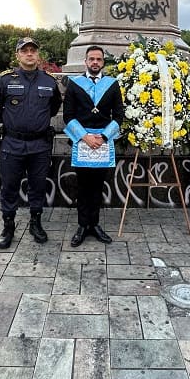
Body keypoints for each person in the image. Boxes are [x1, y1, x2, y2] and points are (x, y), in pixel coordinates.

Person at [0, 37, 62, 249]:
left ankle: (35, 223)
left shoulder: (49, 81)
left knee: (38, 186)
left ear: (38, 55)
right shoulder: (4, 81)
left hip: (40, 145)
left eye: (33, 50)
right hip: (12, 143)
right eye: (25, 51)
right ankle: (8, 226)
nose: (29, 54)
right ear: (17, 55)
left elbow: (54, 108)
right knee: (9, 186)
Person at [63, 46, 124, 247]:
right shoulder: (74, 84)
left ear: (103, 62)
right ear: (86, 61)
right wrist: (85, 137)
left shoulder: (112, 84)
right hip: (82, 141)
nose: (95, 62)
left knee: (98, 186)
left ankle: (94, 224)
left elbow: (119, 116)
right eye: (91, 59)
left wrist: (104, 137)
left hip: (103, 142)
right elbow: (68, 115)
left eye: (99, 59)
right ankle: (82, 226)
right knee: (83, 186)